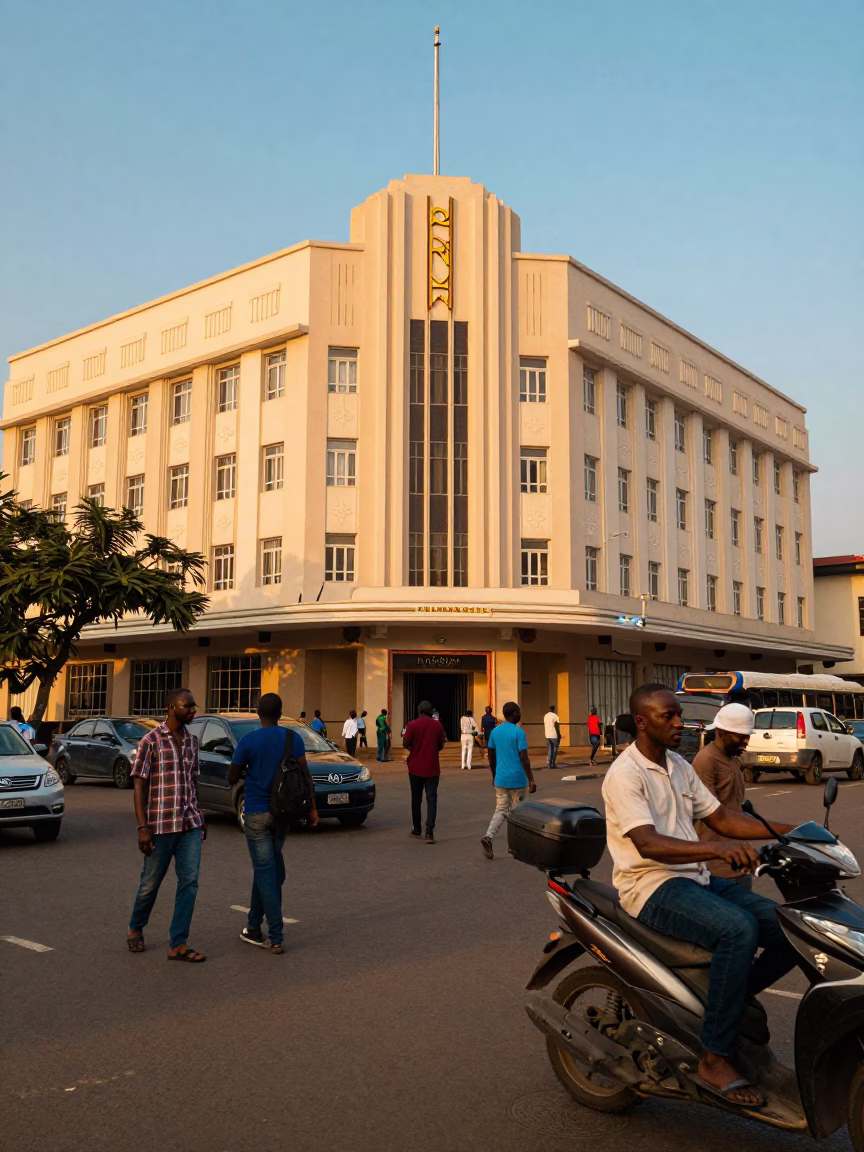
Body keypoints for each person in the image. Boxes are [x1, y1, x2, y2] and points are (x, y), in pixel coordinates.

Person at [601, 683, 798, 1108]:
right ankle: (713, 1057)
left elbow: (722, 817)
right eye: (668, 716)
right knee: (738, 929)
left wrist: (795, 832)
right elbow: (649, 844)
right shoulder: (625, 773)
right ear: (641, 722)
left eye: (679, 715)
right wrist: (715, 849)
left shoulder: (677, 765)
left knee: (792, 926)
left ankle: (733, 999)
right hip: (651, 885)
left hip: (695, 878)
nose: (679, 723)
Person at [227, 693, 317, 954]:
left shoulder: (248, 740)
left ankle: (275, 935)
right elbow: (305, 775)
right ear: (280, 713)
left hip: (255, 813)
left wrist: (246, 769)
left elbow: (232, 777)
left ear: (258, 713)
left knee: (266, 871)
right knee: (270, 870)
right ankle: (253, 926)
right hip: (284, 813)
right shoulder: (293, 738)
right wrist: (312, 809)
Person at [127, 688, 207, 962]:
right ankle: (136, 927)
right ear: (172, 707)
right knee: (151, 882)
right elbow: (139, 784)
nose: (193, 710)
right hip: (159, 825)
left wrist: (200, 818)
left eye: (194, 706)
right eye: (188, 706)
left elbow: (192, 782)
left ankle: (179, 943)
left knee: (190, 882)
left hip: (189, 823)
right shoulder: (150, 741)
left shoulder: (193, 742)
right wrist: (142, 827)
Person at [693, 703, 757, 890]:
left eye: (748, 736)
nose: (746, 742)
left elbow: (734, 809)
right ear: (722, 732)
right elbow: (714, 816)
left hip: (739, 863)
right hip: (718, 869)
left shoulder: (733, 759)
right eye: (740, 737)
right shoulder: (706, 760)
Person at [481, 700, 536, 859]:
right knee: (518, 812)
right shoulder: (519, 732)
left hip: (500, 779)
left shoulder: (495, 732)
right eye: (518, 711)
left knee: (501, 810)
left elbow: (491, 758)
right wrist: (531, 779)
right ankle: (517, 846)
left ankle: (489, 837)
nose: (520, 714)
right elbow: (524, 758)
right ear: (514, 713)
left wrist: (494, 776)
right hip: (517, 780)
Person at [402, 700, 446, 843]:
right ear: (431, 711)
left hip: (415, 767)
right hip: (432, 767)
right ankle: (429, 832)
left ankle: (416, 829)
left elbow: (405, 743)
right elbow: (441, 744)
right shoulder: (438, 726)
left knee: (416, 798)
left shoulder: (412, 725)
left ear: (419, 711)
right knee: (431, 799)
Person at [543, 705, 561, 770]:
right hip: (554, 735)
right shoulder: (555, 716)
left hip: (547, 734)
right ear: (554, 709)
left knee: (549, 750)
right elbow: (557, 726)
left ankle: (548, 764)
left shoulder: (546, 716)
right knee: (554, 750)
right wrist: (559, 734)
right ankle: (553, 763)